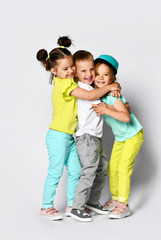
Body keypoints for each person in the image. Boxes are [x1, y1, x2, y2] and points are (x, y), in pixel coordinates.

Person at [36, 38, 121, 220]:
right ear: (53, 70)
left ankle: (73, 205)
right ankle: (46, 206)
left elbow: (89, 76)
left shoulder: (73, 80)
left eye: (71, 67)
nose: (70, 71)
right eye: (65, 69)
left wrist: (114, 84)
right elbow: (90, 95)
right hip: (58, 135)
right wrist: (110, 86)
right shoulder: (64, 84)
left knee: (76, 171)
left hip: (71, 136)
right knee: (56, 171)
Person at [92, 55, 144, 219]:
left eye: (105, 75)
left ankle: (123, 204)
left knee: (123, 168)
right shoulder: (100, 93)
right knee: (113, 167)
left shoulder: (114, 96)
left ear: (112, 78)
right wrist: (114, 86)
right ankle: (115, 198)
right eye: (98, 74)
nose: (100, 78)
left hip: (133, 135)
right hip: (121, 137)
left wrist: (106, 109)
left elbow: (126, 117)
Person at [69, 50, 109, 222]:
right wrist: (110, 87)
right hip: (86, 137)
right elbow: (93, 96)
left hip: (96, 137)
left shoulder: (93, 88)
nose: (89, 74)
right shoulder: (80, 89)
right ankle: (77, 207)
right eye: (83, 71)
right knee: (88, 172)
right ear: (76, 73)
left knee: (102, 169)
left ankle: (92, 201)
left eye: (91, 69)